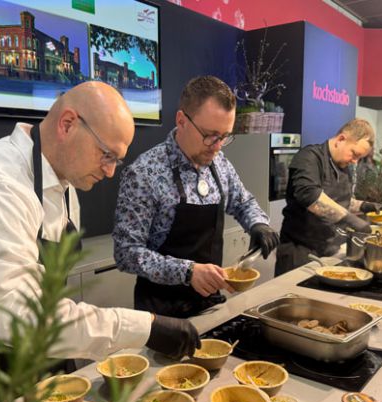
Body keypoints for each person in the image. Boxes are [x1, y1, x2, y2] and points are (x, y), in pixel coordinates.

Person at [0, 82, 200, 368]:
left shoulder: (64, 182)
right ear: (67, 124)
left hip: (33, 355)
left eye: (117, 160)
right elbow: (18, 318)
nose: (111, 171)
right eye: (107, 155)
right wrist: (144, 327)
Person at [113, 76, 279, 319]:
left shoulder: (219, 163)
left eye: (225, 136)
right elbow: (126, 253)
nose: (218, 146)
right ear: (181, 120)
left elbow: (242, 201)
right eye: (211, 135)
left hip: (210, 303)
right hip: (161, 312)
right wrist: (187, 272)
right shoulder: (144, 173)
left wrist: (258, 223)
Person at [275, 118, 382, 276]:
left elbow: (338, 200)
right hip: (300, 251)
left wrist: (363, 206)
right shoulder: (309, 157)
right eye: (354, 154)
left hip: (329, 249)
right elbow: (310, 196)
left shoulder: (343, 165)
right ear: (341, 139)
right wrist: (351, 219)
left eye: (359, 158)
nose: (355, 162)